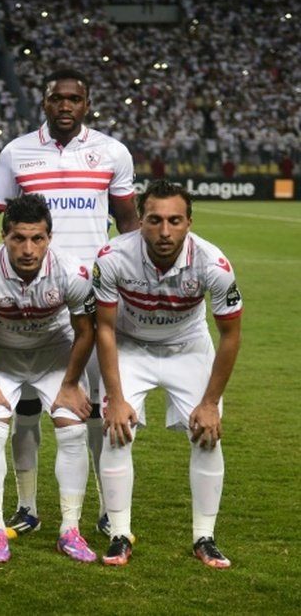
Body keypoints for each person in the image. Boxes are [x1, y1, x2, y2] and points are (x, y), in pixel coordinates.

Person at [0, 67, 138, 538]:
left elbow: (128, 222)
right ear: (45, 102)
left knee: (95, 408)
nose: (66, 106)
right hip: (28, 296)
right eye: (58, 99)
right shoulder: (17, 152)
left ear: (87, 104)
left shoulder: (112, 152)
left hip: (91, 297)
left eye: (75, 99)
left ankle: (107, 508)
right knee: (23, 410)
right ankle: (26, 506)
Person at [93, 179, 242, 568]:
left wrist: (210, 403)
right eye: (155, 220)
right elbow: (104, 329)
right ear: (139, 221)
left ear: (189, 222)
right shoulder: (111, 257)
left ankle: (204, 537)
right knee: (116, 431)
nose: (164, 231)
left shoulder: (214, 264)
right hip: (129, 345)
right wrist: (116, 397)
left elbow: (230, 335)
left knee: (207, 435)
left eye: (175, 221)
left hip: (187, 347)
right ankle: (119, 534)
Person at [0, 193, 97, 564]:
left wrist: (70, 385)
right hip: (1, 358)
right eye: (18, 238)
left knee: (72, 429)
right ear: (3, 236)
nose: (28, 248)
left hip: (54, 356)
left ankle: (70, 530)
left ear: (49, 238)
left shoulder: (73, 273)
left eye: (37, 238)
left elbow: (86, 332)